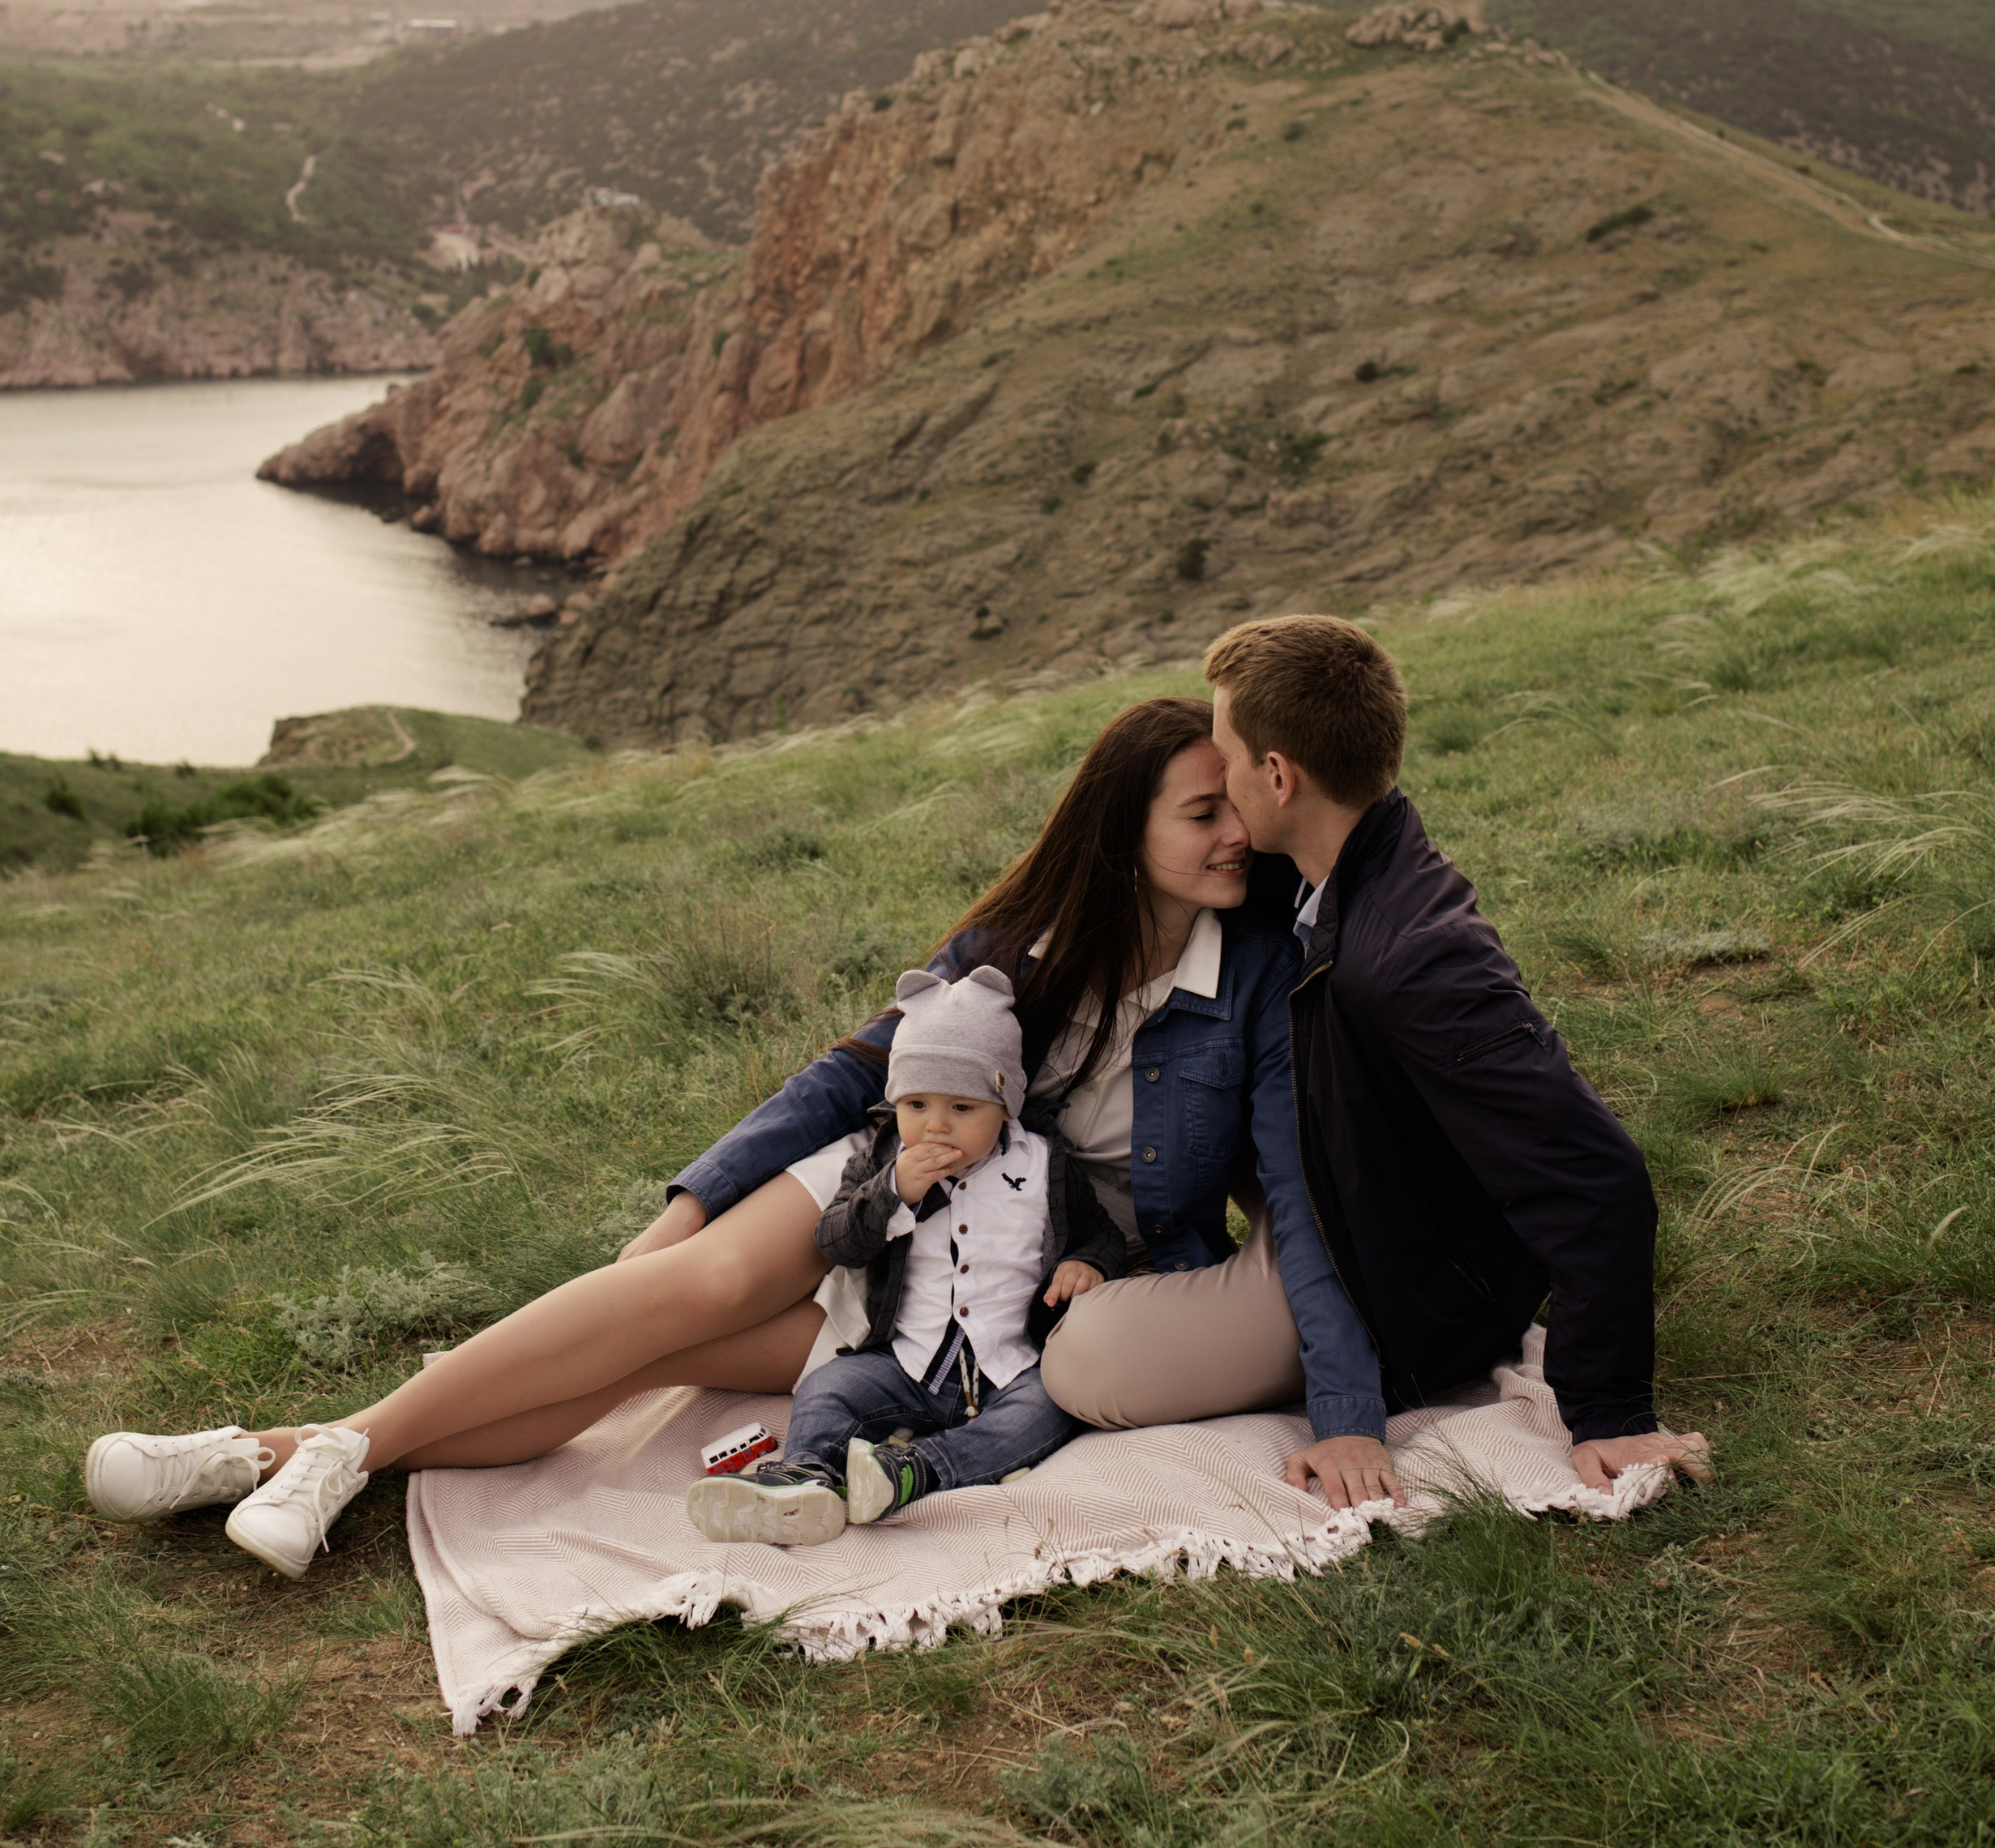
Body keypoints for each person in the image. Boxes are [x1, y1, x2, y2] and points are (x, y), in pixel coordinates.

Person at [83, 698, 1380, 1575]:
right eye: (1200, 813)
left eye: (1234, 810)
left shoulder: (1258, 977)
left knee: (663, 1355)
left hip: (994, 1273)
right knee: (685, 1287)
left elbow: (1292, 1199)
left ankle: (276, 1452)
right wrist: (692, 1205)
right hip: (883, 1184)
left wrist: (1346, 1404)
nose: (1236, 834)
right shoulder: (1011, 954)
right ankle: (332, 1453)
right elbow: (849, 1078)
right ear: (1123, 833)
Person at [1189, 613, 1710, 1502]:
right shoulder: (1342, 862)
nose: (1217, 777)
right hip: (1350, 1218)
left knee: (1091, 1369)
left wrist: (1610, 1409)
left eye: (1226, 758)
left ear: (1278, 777)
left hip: (1421, 1314)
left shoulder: (1420, 962)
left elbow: (1597, 1179)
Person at [686, 963, 1126, 1547]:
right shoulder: (882, 1161)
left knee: (1045, 1410)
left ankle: (914, 1471)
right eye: (916, 1105)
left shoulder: (1045, 1163)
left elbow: (1101, 1234)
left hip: (1012, 1364)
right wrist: (894, 1192)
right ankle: (806, 1477)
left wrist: (1087, 1264)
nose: (935, 1126)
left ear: (1006, 1105)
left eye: (962, 1109)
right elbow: (836, 1242)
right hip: (907, 1363)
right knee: (830, 1385)